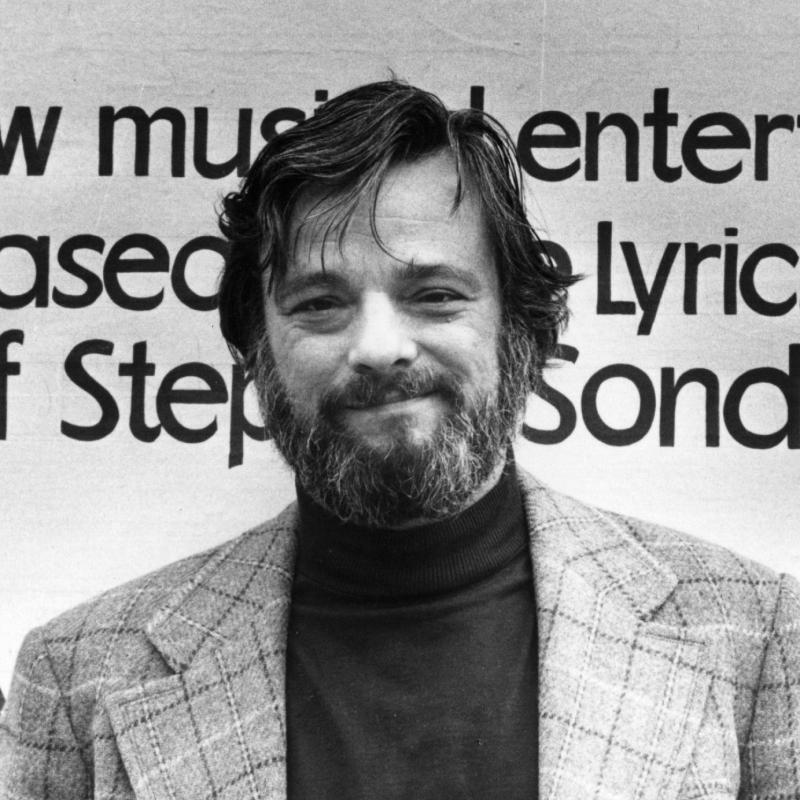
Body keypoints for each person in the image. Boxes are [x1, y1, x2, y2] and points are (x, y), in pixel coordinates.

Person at [1, 80, 798, 799]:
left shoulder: (753, 638)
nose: (379, 347)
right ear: (254, 352)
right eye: (319, 303)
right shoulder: (81, 679)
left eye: (435, 294)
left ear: (523, 330)